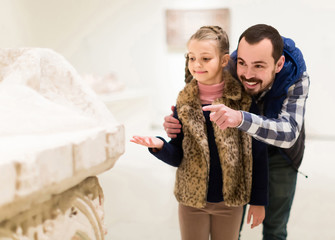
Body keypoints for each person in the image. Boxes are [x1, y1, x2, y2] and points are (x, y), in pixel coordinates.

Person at [164, 24, 310, 240]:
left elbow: (288, 134)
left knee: (275, 228)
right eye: (242, 63)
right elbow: (197, 85)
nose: (248, 74)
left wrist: (241, 118)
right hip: (241, 152)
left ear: (278, 64)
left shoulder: (297, 78)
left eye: (259, 66)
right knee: (233, 225)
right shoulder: (229, 65)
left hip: (281, 154)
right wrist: (177, 120)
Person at [131, 26, 268, 240]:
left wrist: (258, 201)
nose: (197, 65)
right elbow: (178, 156)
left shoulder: (242, 102)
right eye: (192, 58)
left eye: (205, 58)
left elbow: (258, 155)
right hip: (191, 202)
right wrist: (159, 145)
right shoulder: (183, 103)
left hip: (230, 201)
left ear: (223, 61)